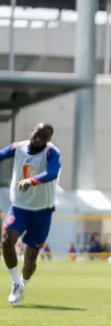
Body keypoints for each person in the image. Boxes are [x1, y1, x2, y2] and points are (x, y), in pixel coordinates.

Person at [0, 123, 61, 306]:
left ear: (48, 140)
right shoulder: (18, 147)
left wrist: (31, 181)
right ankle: (16, 283)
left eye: (43, 137)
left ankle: (23, 285)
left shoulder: (52, 153)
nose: (38, 139)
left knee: (31, 256)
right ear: (32, 132)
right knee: (5, 240)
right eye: (36, 134)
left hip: (42, 211)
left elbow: (52, 173)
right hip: (19, 207)